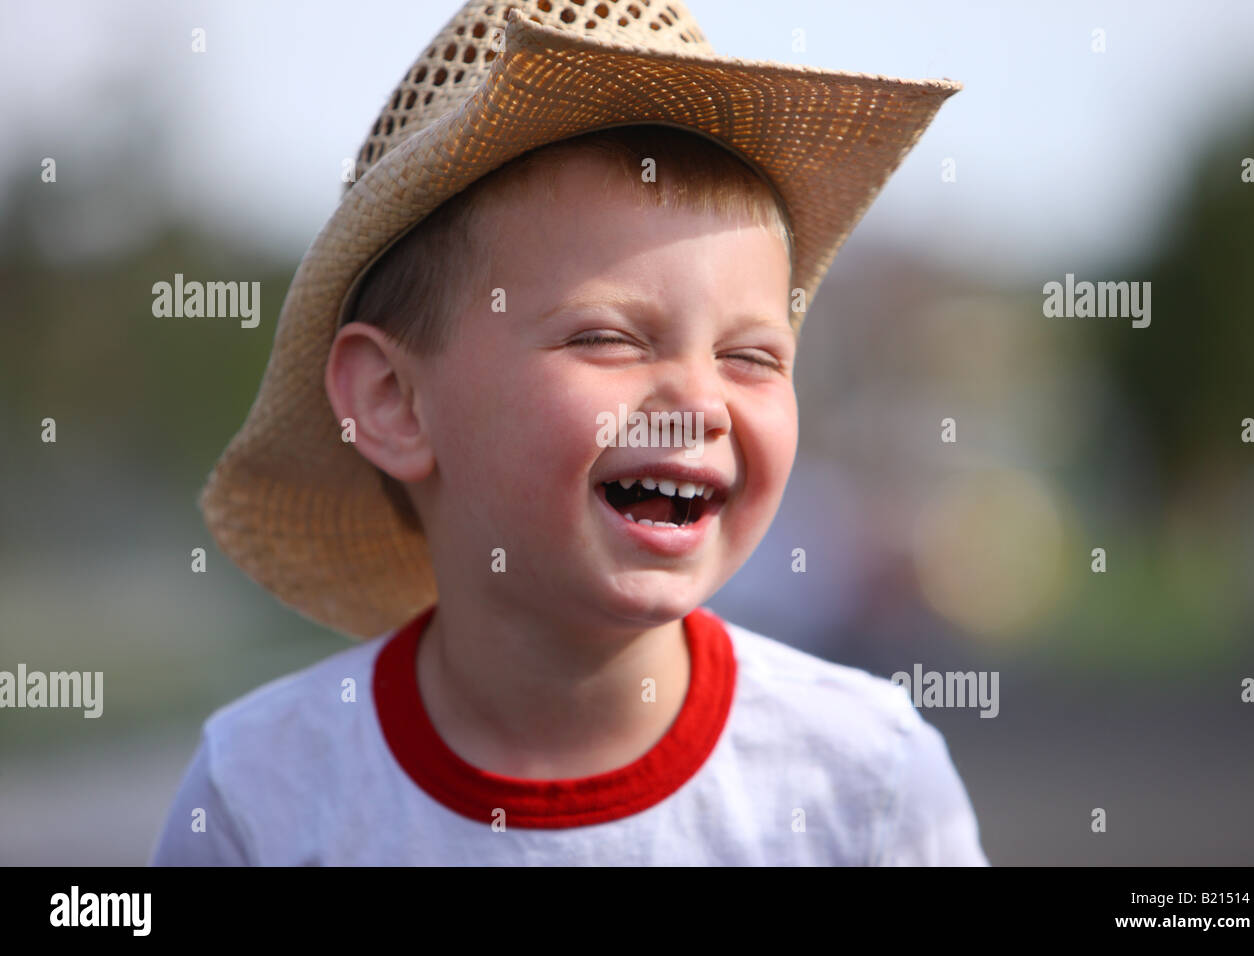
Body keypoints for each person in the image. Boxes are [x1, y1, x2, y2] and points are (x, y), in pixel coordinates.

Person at [150, 0, 985, 865]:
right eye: (607, 338)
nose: (699, 400)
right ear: (395, 402)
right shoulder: (260, 794)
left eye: (752, 356)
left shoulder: (868, 783)